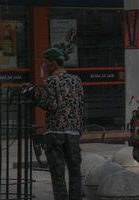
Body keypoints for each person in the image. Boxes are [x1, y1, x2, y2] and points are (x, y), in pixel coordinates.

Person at [31, 48, 84, 200]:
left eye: (45, 63)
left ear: (53, 63)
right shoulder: (76, 80)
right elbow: (80, 105)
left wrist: (36, 99)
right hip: (73, 133)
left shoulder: (51, 81)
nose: (43, 66)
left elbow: (51, 106)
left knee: (57, 173)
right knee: (75, 172)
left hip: (55, 133)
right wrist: (78, 129)